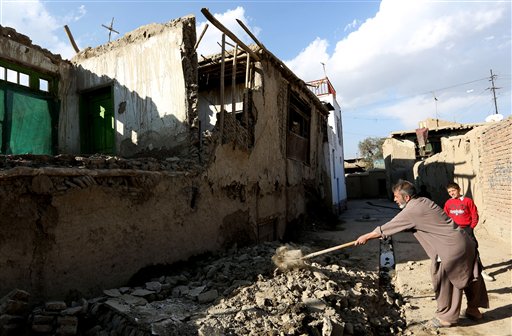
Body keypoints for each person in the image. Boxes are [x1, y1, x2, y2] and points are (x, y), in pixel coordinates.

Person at [355, 180, 489, 328]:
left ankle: (447, 318)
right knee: (469, 276)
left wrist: (366, 236)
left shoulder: (412, 210)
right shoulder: (423, 201)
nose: (394, 200)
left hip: (450, 248)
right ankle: (473, 310)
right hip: (464, 241)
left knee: (446, 280)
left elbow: (389, 227)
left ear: (406, 198)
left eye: (396, 196)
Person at [444, 182, 495, 282]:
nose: (452, 193)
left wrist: (471, 227)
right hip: (454, 230)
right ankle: (462, 272)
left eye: (453, 190)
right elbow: (445, 216)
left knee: (473, 249)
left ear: (459, 189)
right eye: (449, 192)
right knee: (457, 251)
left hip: (467, 229)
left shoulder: (468, 201)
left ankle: (481, 271)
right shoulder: (448, 203)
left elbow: (474, 214)